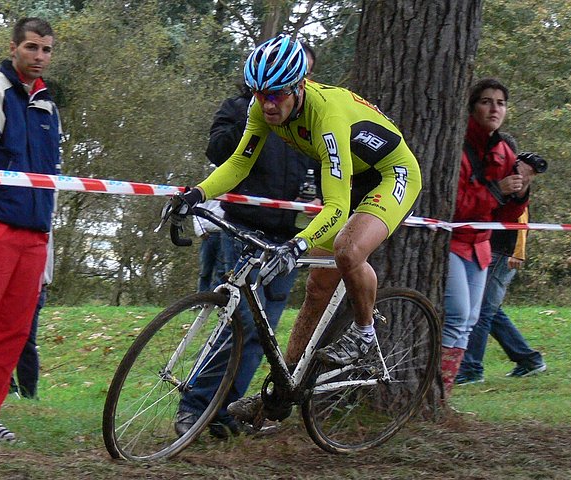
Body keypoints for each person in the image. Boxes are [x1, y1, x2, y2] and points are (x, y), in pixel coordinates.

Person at [168, 34, 421, 425]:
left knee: (347, 250)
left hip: (391, 175)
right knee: (318, 288)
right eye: (260, 93)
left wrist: (298, 242)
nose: (268, 104)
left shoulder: (327, 117)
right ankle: (283, 390)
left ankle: (365, 336)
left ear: (298, 86)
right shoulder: (261, 107)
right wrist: (196, 193)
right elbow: (239, 164)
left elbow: (335, 206)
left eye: (277, 94)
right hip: (352, 179)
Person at [175, 42, 319, 438]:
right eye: (271, 86)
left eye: (296, 81)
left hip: (287, 234)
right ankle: (194, 408)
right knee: (237, 324)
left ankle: (227, 413)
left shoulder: (309, 123)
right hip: (244, 230)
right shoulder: (240, 109)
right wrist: (257, 119)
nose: (284, 92)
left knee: (263, 332)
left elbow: (321, 168)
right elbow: (217, 150)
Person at [0, 17, 61, 442]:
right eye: (32, 48)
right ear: (14, 47)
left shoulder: (48, 107)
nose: (39, 56)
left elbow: (52, 179)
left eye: (46, 50)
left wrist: (47, 241)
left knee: (13, 333)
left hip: (33, 239)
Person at [441, 78, 535, 400]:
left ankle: (442, 396)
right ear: (472, 106)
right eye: (486, 101)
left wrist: (521, 191)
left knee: (470, 318)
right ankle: (436, 389)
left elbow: (507, 219)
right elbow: (453, 204)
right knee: (456, 316)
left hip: (481, 244)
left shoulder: (505, 149)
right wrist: (496, 190)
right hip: (451, 240)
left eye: (501, 103)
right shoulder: (456, 143)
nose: (494, 108)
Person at [10, 234, 54, 399]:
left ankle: (29, 395)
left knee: (27, 340)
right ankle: (8, 389)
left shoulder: (43, 214)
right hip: (10, 279)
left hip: (36, 282)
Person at [193, 198, 226, 292]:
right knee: (205, 269)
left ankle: (217, 298)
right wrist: (200, 231)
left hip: (225, 234)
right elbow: (197, 212)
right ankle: (201, 297)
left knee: (221, 269)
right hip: (209, 235)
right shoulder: (208, 191)